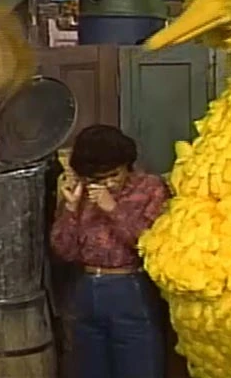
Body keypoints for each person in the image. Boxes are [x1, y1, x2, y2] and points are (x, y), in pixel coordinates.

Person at [50, 124, 171, 378]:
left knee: (138, 367)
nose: (107, 183)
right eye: (97, 179)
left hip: (128, 286)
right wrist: (70, 209)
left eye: (114, 174)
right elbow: (64, 250)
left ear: (127, 164)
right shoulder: (83, 191)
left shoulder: (150, 189)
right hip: (85, 288)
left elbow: (149, 243)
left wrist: (112, 209)